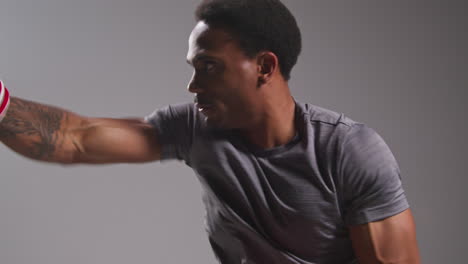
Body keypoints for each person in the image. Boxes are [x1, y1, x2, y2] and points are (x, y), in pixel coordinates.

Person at [0, 0, 421, 263]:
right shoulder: (196, 128)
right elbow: (76, 139)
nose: (193, 86)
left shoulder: (349, 151)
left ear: (264, 66)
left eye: (209, 67)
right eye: (193, 68)